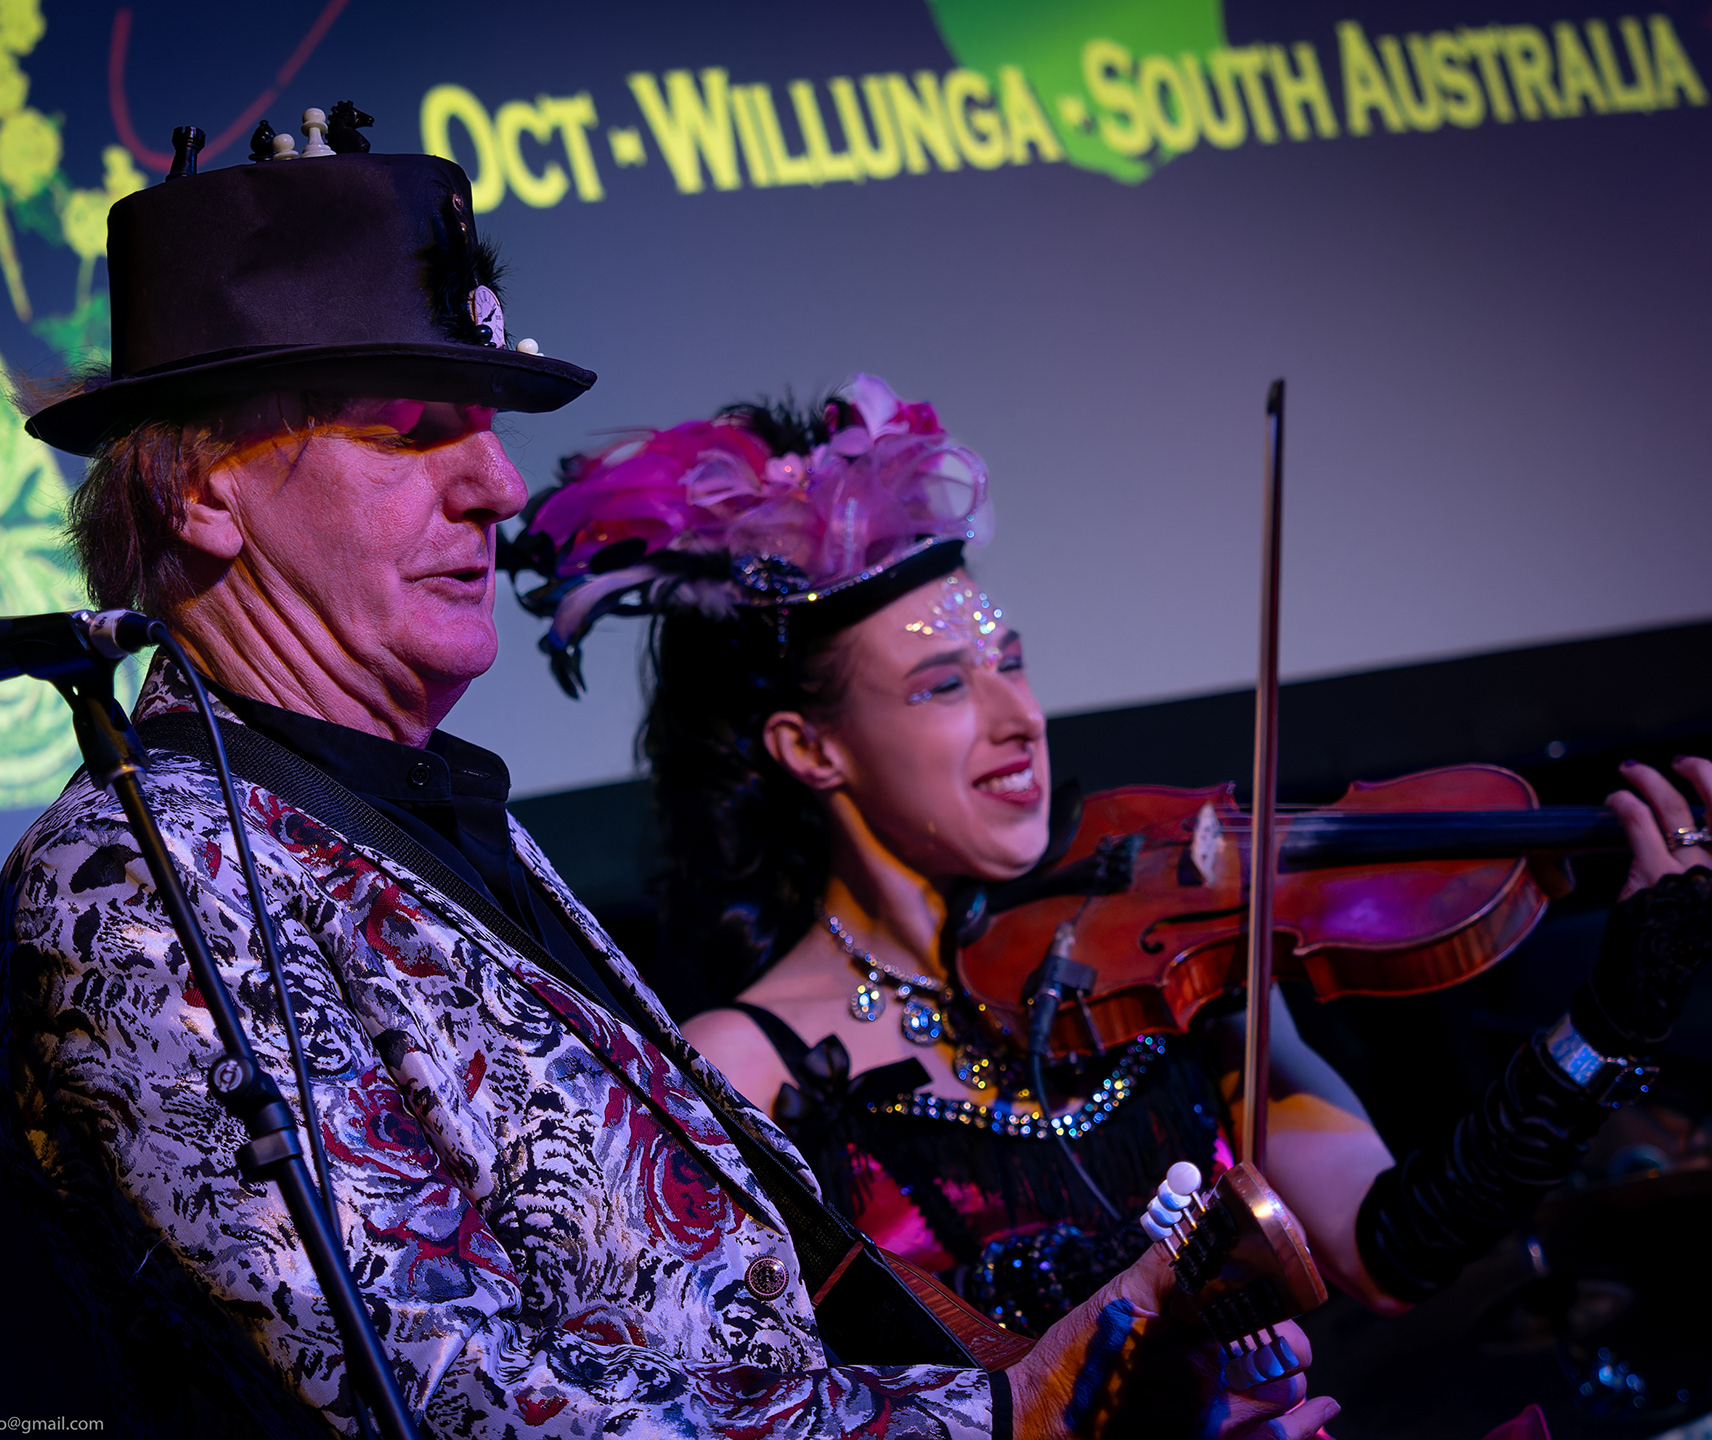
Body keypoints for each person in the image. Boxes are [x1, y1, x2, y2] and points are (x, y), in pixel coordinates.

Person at [0, 142, 1335, 1438]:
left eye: (486, 425)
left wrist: (1108, 1391)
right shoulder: (126, 884)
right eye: (410, 427)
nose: (498, 483)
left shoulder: (432, 815)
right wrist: (1010, 1416)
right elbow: (446, 1399)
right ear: (204, 489)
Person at [505, 376, 1712, 1336]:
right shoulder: (746, 1069)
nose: (1019, 718)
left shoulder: (1167, 968)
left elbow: (1391, 1251)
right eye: (943, 686)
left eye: (1012, 664)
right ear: (809, 747)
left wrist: (1610, 1022)